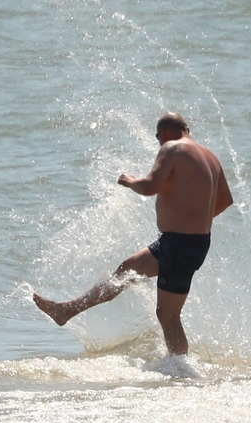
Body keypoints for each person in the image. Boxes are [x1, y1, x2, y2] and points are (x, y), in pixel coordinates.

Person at [33, 113, 233, 355]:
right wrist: (195, 219)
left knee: (168, 314)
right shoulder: (210, 156)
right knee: (125, 271)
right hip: (182, 242)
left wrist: (130, 181)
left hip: (180, 244)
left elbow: (149, 186)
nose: (159, 143)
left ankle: (179, 369)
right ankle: (66, 311)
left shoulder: (172, 148)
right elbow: (225, 200)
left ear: (165, 133)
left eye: (158, 138)